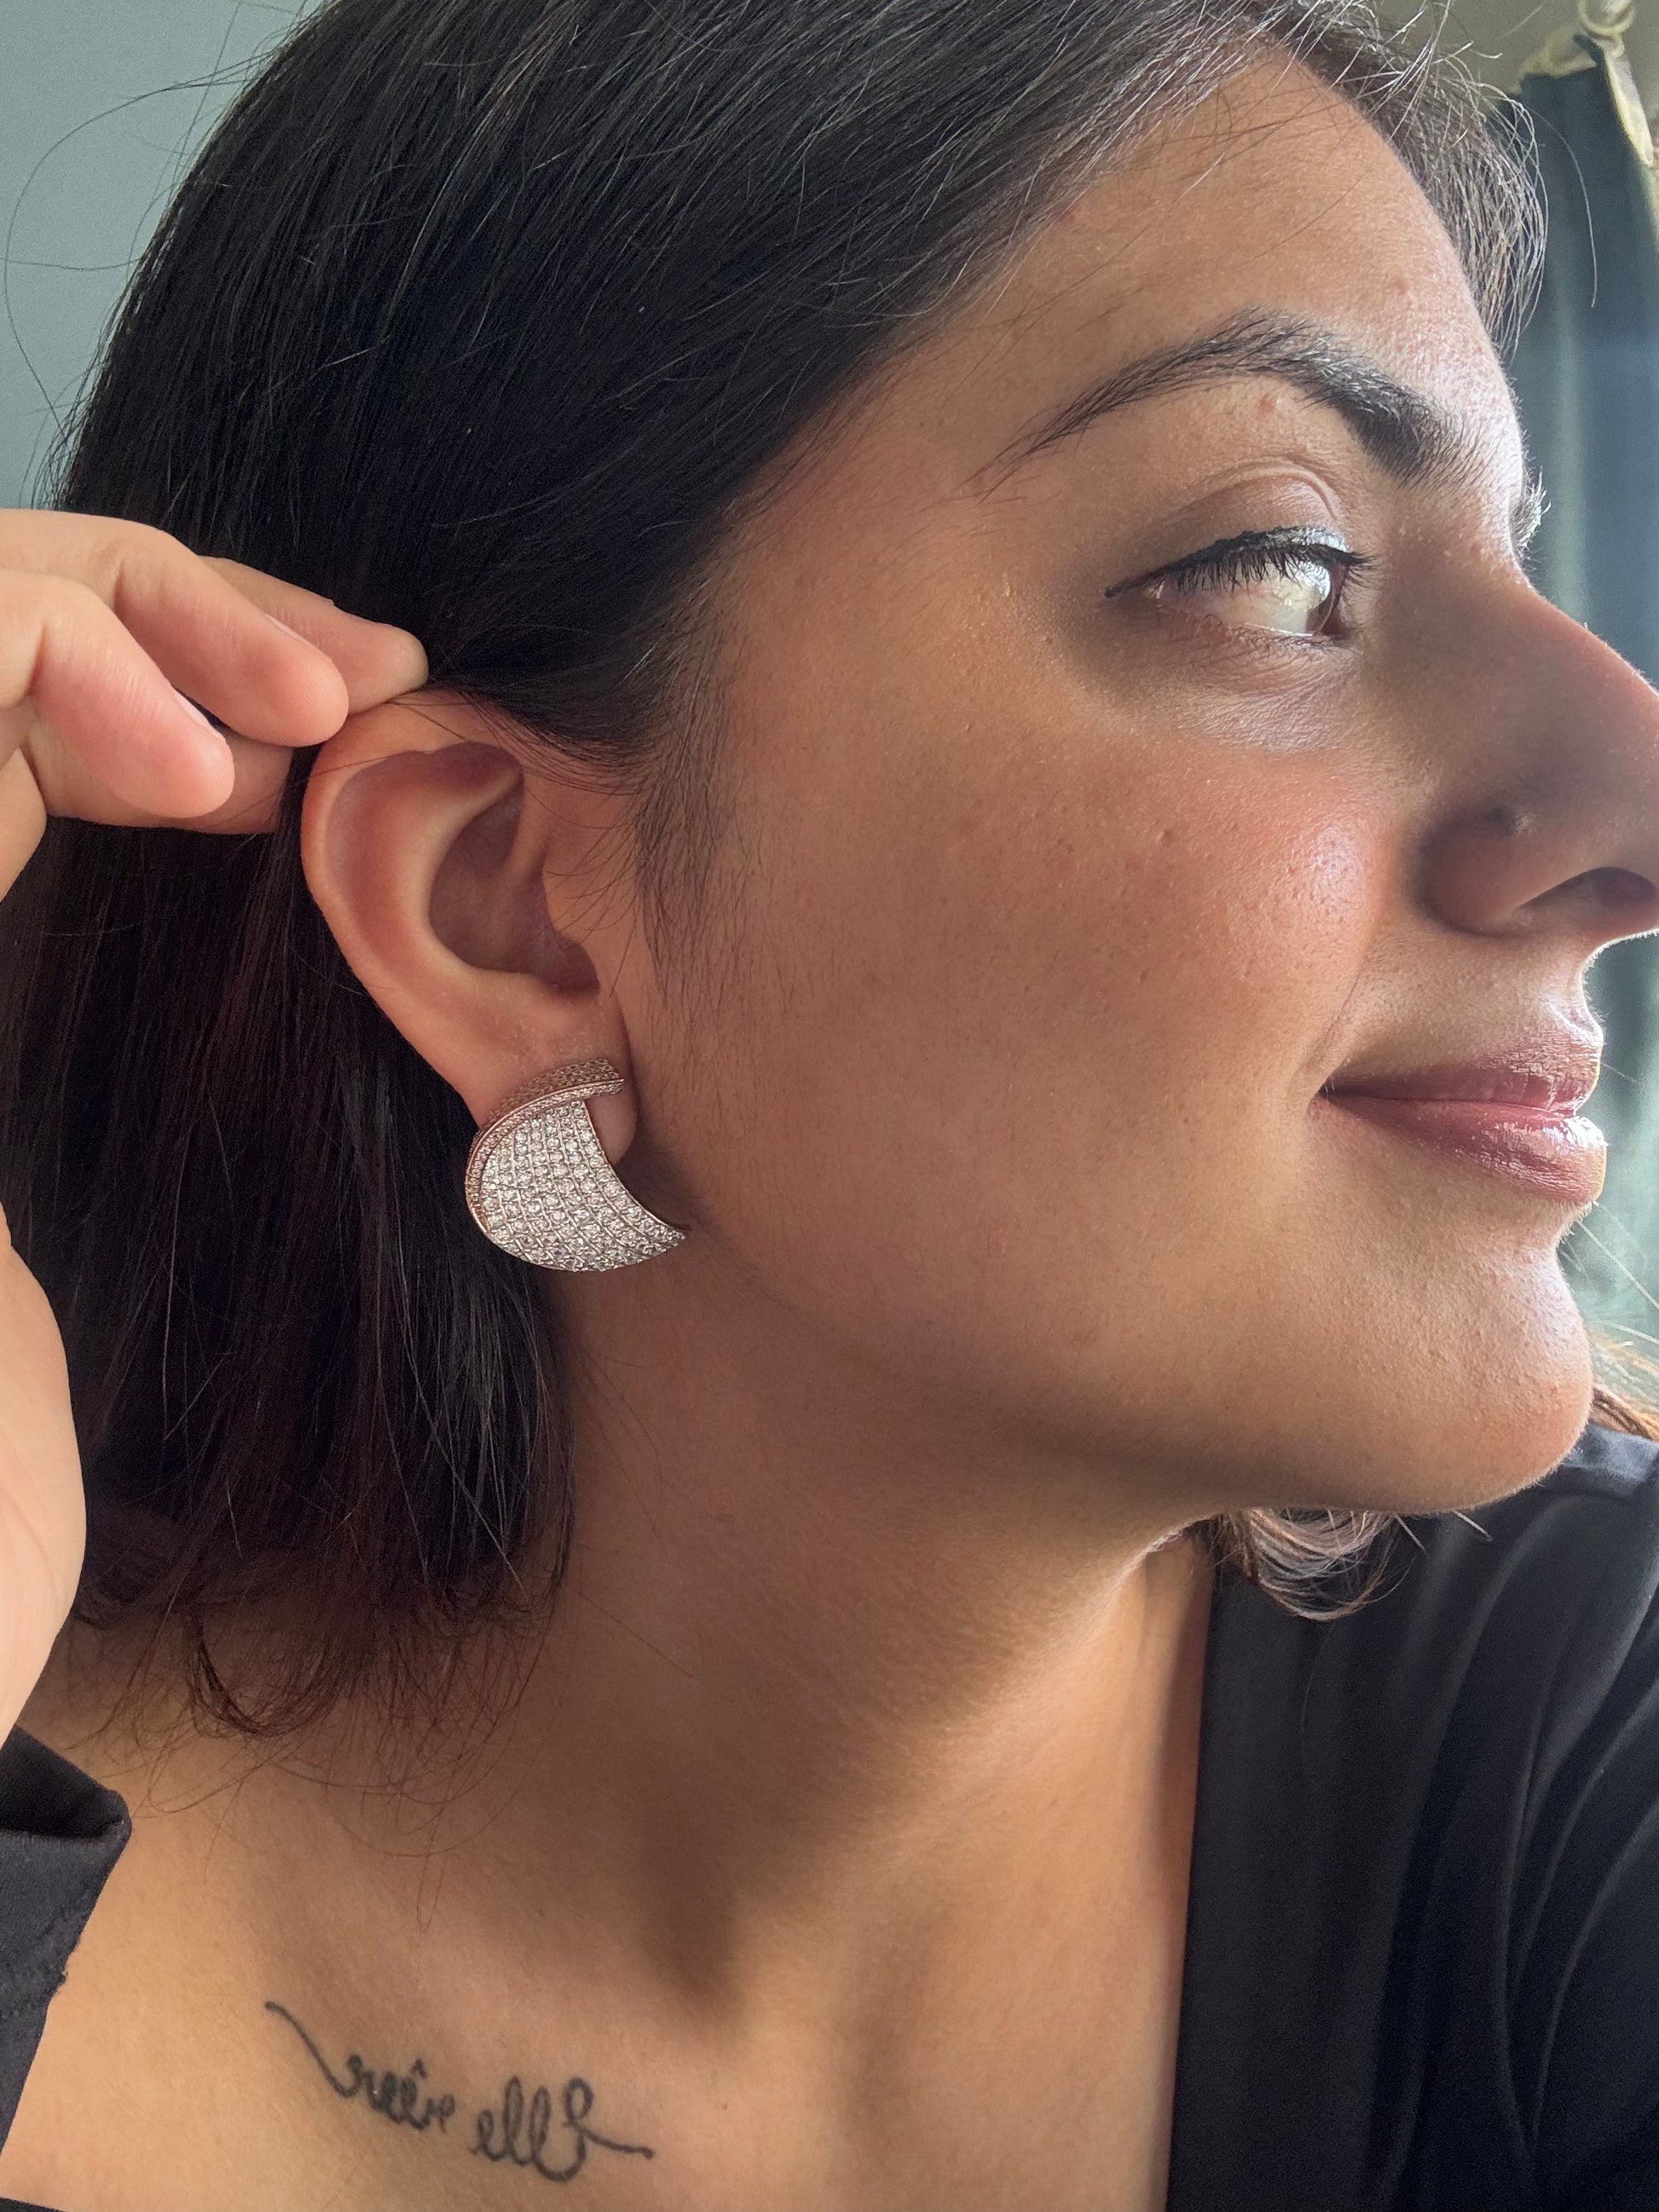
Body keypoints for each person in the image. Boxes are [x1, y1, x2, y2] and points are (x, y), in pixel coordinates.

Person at [0, 0, 1655, 2205]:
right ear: (514, 914)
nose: (1628, 801)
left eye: (1516, 560)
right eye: (1275, 565)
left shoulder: (1586, 1757)